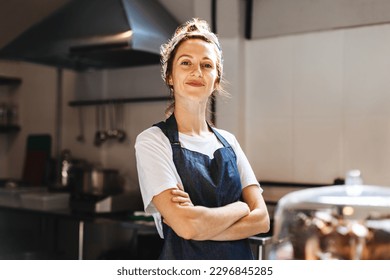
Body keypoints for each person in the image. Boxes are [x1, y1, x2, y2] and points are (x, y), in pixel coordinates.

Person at [135, 18, 269, 260]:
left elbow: (261, 220)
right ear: (170, 76)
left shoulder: (229, 142)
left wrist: (200, 224)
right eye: (186, 63)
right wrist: (240, 208)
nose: (197, 72)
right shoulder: (152, 141)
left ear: (216, 79)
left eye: (207, 65)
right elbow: (187, 226)